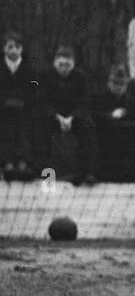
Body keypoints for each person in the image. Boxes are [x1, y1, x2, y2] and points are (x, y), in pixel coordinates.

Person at [43, 46, 98, 186]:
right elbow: (42, 102)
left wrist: (72, 118)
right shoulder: (46, 76)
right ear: (55, 63)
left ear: (73, 64)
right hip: (53, 117)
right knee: (40, 128)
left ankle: (88, 173)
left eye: (67, 65)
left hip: (75, 118)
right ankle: (45, 172)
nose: (63, 69)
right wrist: (57, 117)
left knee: (88, 128)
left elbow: (85, 101)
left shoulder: (81, 77)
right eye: (60, 65)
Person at [1, 31, 40, 181]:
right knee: (6, 129)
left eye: (17, 47)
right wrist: (5, 103)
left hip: (24, 110)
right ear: (4, 48)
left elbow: (33, 92)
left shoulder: (28, 68)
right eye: (10, 46)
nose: (13, 50)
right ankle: (8, 164)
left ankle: (24, 164)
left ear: (21, 49)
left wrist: (23, 103)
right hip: (3, 110)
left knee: (24, 130)